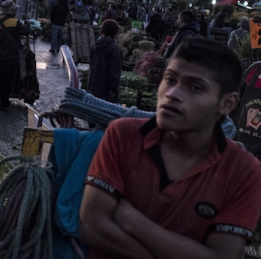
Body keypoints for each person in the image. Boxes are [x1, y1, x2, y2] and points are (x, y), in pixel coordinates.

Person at [79, 38, 261, 259]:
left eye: (195, 87)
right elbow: (92, 226)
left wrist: (132, 220)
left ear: (227, 104)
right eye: (170, 79)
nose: (173, 94)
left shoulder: (244, 172)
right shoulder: (123, 135)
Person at [0, 0, 28, 113]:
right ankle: (4, 103)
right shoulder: (16, 23)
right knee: (7, 82)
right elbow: (26, 31)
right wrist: (27, 20)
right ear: (13, 11)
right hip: (10, 59)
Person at [87, 19, 121, 103]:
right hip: (106, 93)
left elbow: (91, 65)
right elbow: (115, 73)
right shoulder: (114, 49)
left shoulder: (95, 45)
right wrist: (114, 91)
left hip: (93, 88)